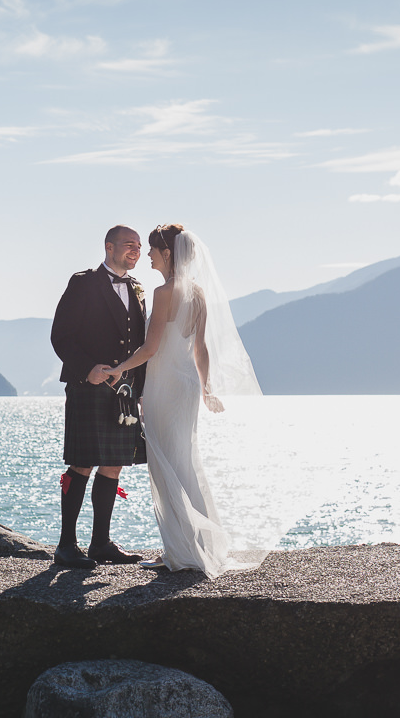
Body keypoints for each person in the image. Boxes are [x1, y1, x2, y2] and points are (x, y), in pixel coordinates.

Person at [106, 224, 263, 578]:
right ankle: (198, 546)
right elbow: (200, 348)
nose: (146, 255)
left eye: (151, 249)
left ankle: (179, 550)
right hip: (188, 386)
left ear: (167, 254)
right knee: (185, 462)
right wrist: (206, 389)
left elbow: (150, 348)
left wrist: (118, 370)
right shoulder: (198, 293)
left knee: (166, 465)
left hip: (165, 387)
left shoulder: (165, 293)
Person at [48, 225, 149, 569]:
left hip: (124, 391)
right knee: (82, 461)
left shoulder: (137, 288)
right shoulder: (84, 283)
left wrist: (141, 389)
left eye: (138, 245)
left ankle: (101, 543)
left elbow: (140, 344)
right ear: (109, 247)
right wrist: (86, 369)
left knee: (114, 464)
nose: (135, 250)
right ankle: (65, 545)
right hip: (88, 386)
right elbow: (61, 335)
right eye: (128, 245)